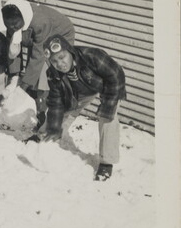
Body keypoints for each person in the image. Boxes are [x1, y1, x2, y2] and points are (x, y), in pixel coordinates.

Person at [38, 35, 127, 181]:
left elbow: (116, 74)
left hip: (109, 85)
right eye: (54, 61)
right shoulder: (53, 74)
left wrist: (108, 105)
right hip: (81, 90)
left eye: (62, 57)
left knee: (107, 117)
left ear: (70, 51)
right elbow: (56, 102)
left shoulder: (91, 56)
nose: (60, 64)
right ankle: (45, 136)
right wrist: (53, 128)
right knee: (64, 112)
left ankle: (107, 162)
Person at [1, 0, 75, 130]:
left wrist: (23, 87)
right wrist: (14, 76)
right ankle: (38, 101)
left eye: (15, 24)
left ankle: (44, 112)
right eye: (8, 25)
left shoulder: (40, 22)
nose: (12, 28)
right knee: (31, 75)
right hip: (35, 37)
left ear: (23, 17)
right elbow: (13, 51)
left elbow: (38, 56)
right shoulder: (13, 24)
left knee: (42, 74)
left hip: (59, 36)